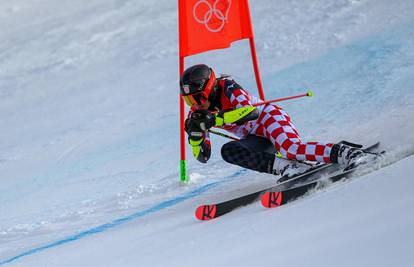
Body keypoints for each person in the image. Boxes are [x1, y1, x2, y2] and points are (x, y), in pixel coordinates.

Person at [180, 64, 369, 180]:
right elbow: (203, 157)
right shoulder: (196, 115)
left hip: (269, 118)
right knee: (228, 151)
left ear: (211, 88)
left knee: (291, 149)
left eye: (198, 98)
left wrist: (215, 118)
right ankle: (290, 167)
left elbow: (250, 112)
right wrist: (196, 138)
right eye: (189, 100)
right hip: (255, 137)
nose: (195, 104)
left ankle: (348, 153)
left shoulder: (227, 86)